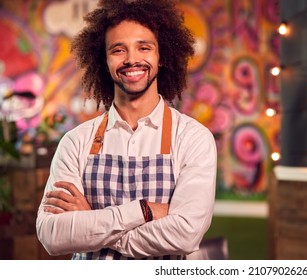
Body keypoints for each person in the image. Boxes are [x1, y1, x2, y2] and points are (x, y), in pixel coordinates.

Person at [36, 0, 217, 260]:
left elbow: (185, 234)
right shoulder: (75, 142)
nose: (132, 59)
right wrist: (143, 211)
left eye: (144, 47)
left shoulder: (193, 138)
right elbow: (52, 235)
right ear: (104, 60)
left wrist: (90, 224)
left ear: (162, 56)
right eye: (118, 50)